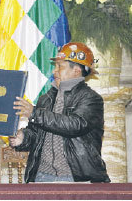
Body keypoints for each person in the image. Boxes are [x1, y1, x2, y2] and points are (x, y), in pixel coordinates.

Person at [9, 42, 110, 183]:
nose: (54, 71)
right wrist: (22, 139)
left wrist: (34, 113)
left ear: (76, 70)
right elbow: (36, 134)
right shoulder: (46, 99)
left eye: (59, 66)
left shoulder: (91, 99)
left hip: (77, 180)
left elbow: (75, 125)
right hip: (41, 177)